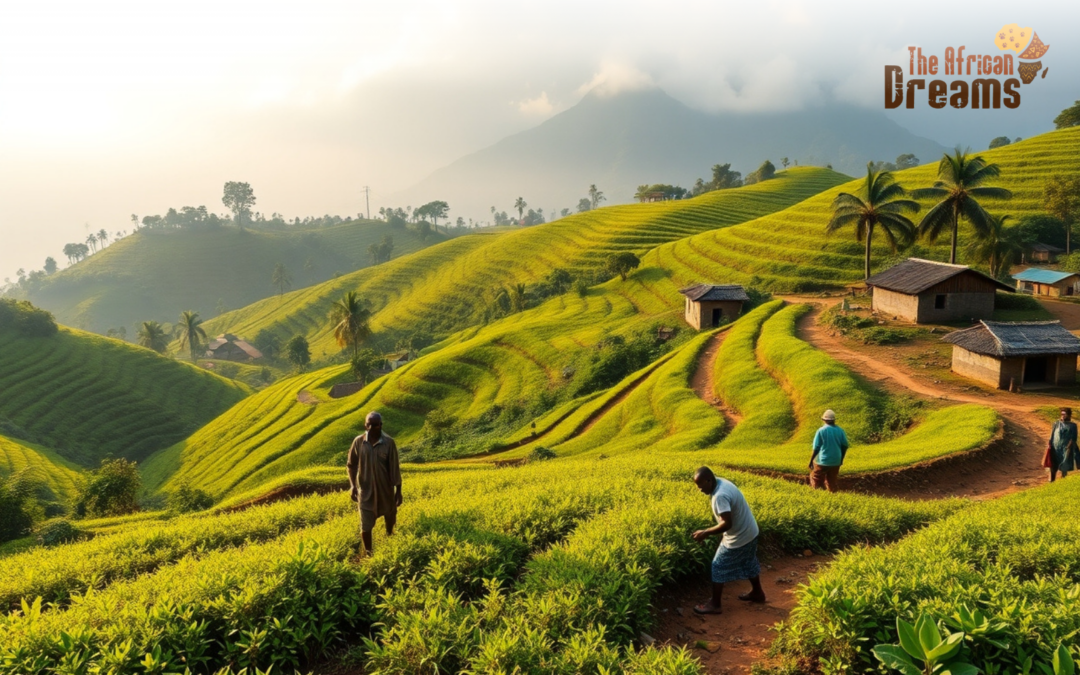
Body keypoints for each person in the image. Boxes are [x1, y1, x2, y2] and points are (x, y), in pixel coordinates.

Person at [691, 466, 765, 614]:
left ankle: (715, 604)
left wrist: (706, 532)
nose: (699, 490)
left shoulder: (720, 495)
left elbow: (727, 523)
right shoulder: (722, 482)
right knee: (748, 561)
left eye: (701, 486)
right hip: (751, 531)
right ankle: (758, 593)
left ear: (709, 480)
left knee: (718, 566)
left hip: (740, 536)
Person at [346, 411, 402, 555]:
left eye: (375, 425)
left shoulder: (389, 443)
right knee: (365, 524)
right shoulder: (358, 442)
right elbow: (351, 465)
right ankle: (369, 553)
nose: (372, 428)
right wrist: (352, 485)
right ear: (365, 425)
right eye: (369, 425)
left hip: (385, 489)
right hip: (365, 490)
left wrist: (398, 491)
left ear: (381, 425)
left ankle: (389, 536)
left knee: (390, 515)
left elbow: (394, 468)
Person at [809, 409, 848, 493]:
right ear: (834, 420)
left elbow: (816, 448)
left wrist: (811, 461)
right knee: (832, 481)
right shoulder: (840, 431)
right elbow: (845, 446)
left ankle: (817, 494)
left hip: (823, 460)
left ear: (824, 420)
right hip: (836, 460)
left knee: (815, 477)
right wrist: (841, 459)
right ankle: (832, 495)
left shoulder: (821, 431)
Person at [1048, 407, 1079, 483]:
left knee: (1064, 465)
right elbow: (1052, 435)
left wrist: (1070, 446)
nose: (1062, 416)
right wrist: (1049, 444)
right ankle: (1051, 481)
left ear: (1068, 415)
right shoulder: (1056, 423)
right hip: (1055, 448)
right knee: (1053, 466)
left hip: (1066, 449)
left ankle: (1063, 480)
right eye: (1061, 414)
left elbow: (1074, 437)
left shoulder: (1073, 425)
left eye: (1064, 414)